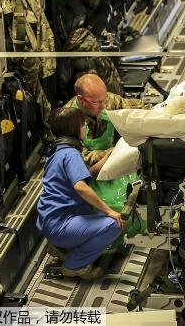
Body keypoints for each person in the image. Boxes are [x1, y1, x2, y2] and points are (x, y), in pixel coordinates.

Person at [37, 107, 125, 280]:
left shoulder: (58, 150)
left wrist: (108, 155)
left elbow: (86, 174)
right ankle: (73, 265)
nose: (85, 128)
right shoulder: (71, 154)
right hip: (61, 224)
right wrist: (109, 211)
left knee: (103, 215)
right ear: (75, 130)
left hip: (51, 220)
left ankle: (63, 247)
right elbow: (81, 187)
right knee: (114, 224)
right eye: (83, 125)